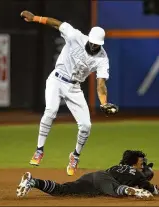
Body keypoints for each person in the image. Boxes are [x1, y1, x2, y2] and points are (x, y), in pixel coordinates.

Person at [20, 11, 119, 176]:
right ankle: (39, 150)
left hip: (74, 87)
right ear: (89, 38)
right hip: (56, 79)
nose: (95, 46)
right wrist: (35, 18)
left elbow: (101, 84)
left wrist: (103, 103)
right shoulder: (75, 36)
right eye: (94, 42)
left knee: (86, 125)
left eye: (98, 44)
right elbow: (56, 23)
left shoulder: (102, 58)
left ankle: (75, 156)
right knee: (50, 111)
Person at [16, 150, 159, 200]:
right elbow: (153, 190)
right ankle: (131, 191)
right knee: (116, 190)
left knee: (63, 191)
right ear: (133, 164)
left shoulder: (115, 167)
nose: (142, 166)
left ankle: (33, 181)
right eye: (141, 163)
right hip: (105, 182)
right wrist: (152, 186)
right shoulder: (137, 173)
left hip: (92, 177)